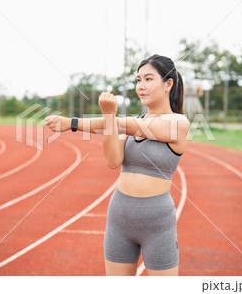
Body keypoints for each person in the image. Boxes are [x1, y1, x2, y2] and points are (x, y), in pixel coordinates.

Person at [45, 54, 190, 276]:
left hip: (157, 223)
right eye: (138, 80)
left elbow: (126, 125)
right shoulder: (127, 125)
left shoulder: (179, 123)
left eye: (148, 79)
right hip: (119, 219)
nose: (141, 86)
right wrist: (107, 119)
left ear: (168, 84)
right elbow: (113, 161)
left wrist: (73, 123)